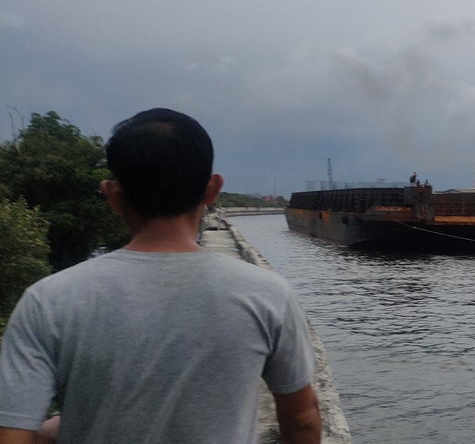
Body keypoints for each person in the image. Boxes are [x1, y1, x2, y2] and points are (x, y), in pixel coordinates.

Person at [0, 109, 321, 443]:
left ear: (112, 195)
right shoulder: (267, 294)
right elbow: (302, 418)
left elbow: (11, 434)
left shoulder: (47, 300)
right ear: (212, 190)